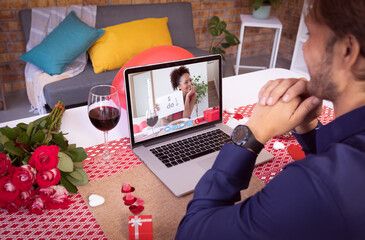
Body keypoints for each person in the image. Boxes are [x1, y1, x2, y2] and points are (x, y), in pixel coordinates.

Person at [175, 0, 365, 239]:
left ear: (347, 50)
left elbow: (192, 232)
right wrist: (307, 129)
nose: (304, 49)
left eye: (309, 35)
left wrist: (253, 130)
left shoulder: (314, 187)